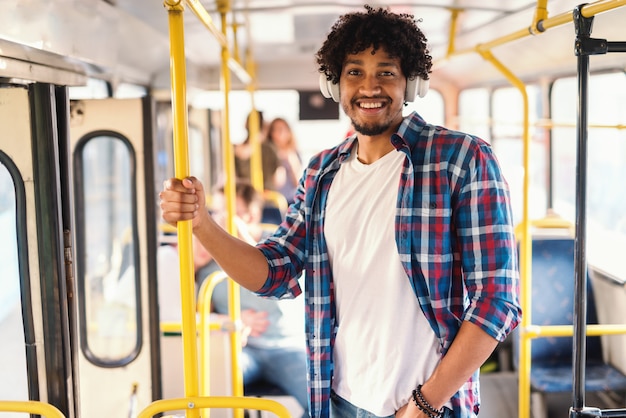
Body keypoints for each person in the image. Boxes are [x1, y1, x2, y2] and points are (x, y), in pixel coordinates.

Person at [160, 6, 521, 418]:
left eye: (386, 71)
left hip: (429, 407)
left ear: (412, 82)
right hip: (338, 401)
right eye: (355, 72)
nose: (370, 86)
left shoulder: (462, 159)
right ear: (334, 83)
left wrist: (426, 402)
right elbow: (273, 271)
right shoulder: (321, 173)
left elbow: (497, 301)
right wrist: (202, 223)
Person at [195, 181, 310, 418]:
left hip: (283, 345)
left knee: (322, 401)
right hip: (240, 347)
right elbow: (202, 305)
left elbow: (280, 288)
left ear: (252, 214)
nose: (222, 221)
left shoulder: (280, 245)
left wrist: (240, 238)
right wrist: (234, 320)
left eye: (232, 214)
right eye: (217, 213)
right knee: (206, 386)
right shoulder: (211, 256)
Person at [234, 110, 280, 191]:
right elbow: (278, 180)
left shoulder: (237, 149)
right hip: (266, 195)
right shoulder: (271, 149)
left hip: (247, 195)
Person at [265, 118, 303, 204]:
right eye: (275, 130)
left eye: (282, 129)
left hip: (292, 199)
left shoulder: (294, 153)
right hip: (274, 200)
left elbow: (298, 181)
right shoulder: (267, 154)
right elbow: (277, 182)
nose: (279, 133)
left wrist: (291, 159)